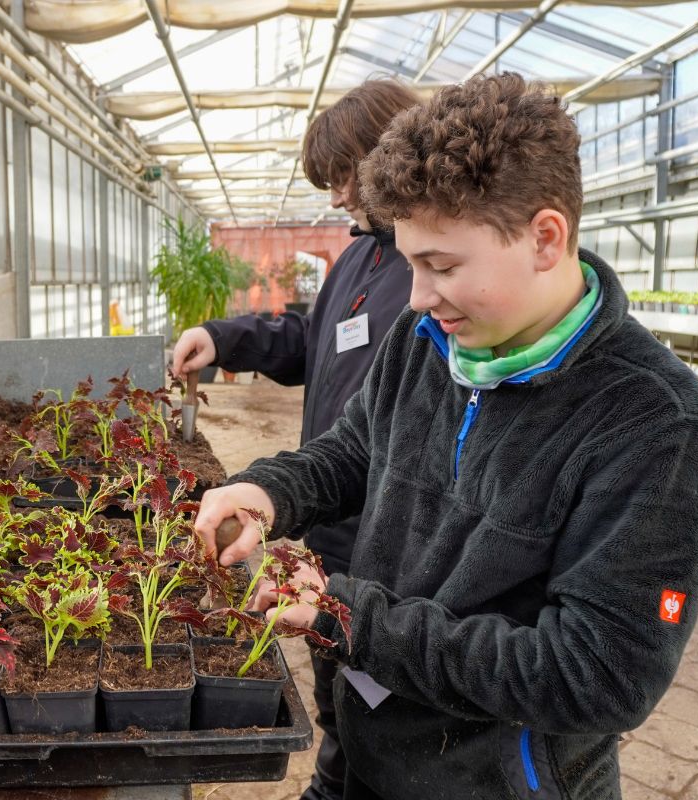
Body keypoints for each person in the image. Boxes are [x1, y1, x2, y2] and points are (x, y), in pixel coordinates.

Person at [194, 73, 698, 799]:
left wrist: (346, 615)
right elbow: (355, 450)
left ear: (545, 238)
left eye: (441, 266)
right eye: (411, 262)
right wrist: (268, 491)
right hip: (366, 743)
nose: (416, 296)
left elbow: (597, 676)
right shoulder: (429, 340)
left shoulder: (655, 424)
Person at [171, 78, 420, 800]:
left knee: (386, 706)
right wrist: (219, 338)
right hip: (334, 529)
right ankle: (336, 779)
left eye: (344, 177)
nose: (338, 197)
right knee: (341, 697)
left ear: (386, 153)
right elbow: (310, 340)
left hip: (395, 545)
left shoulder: (432, 275)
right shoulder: (362, 260)